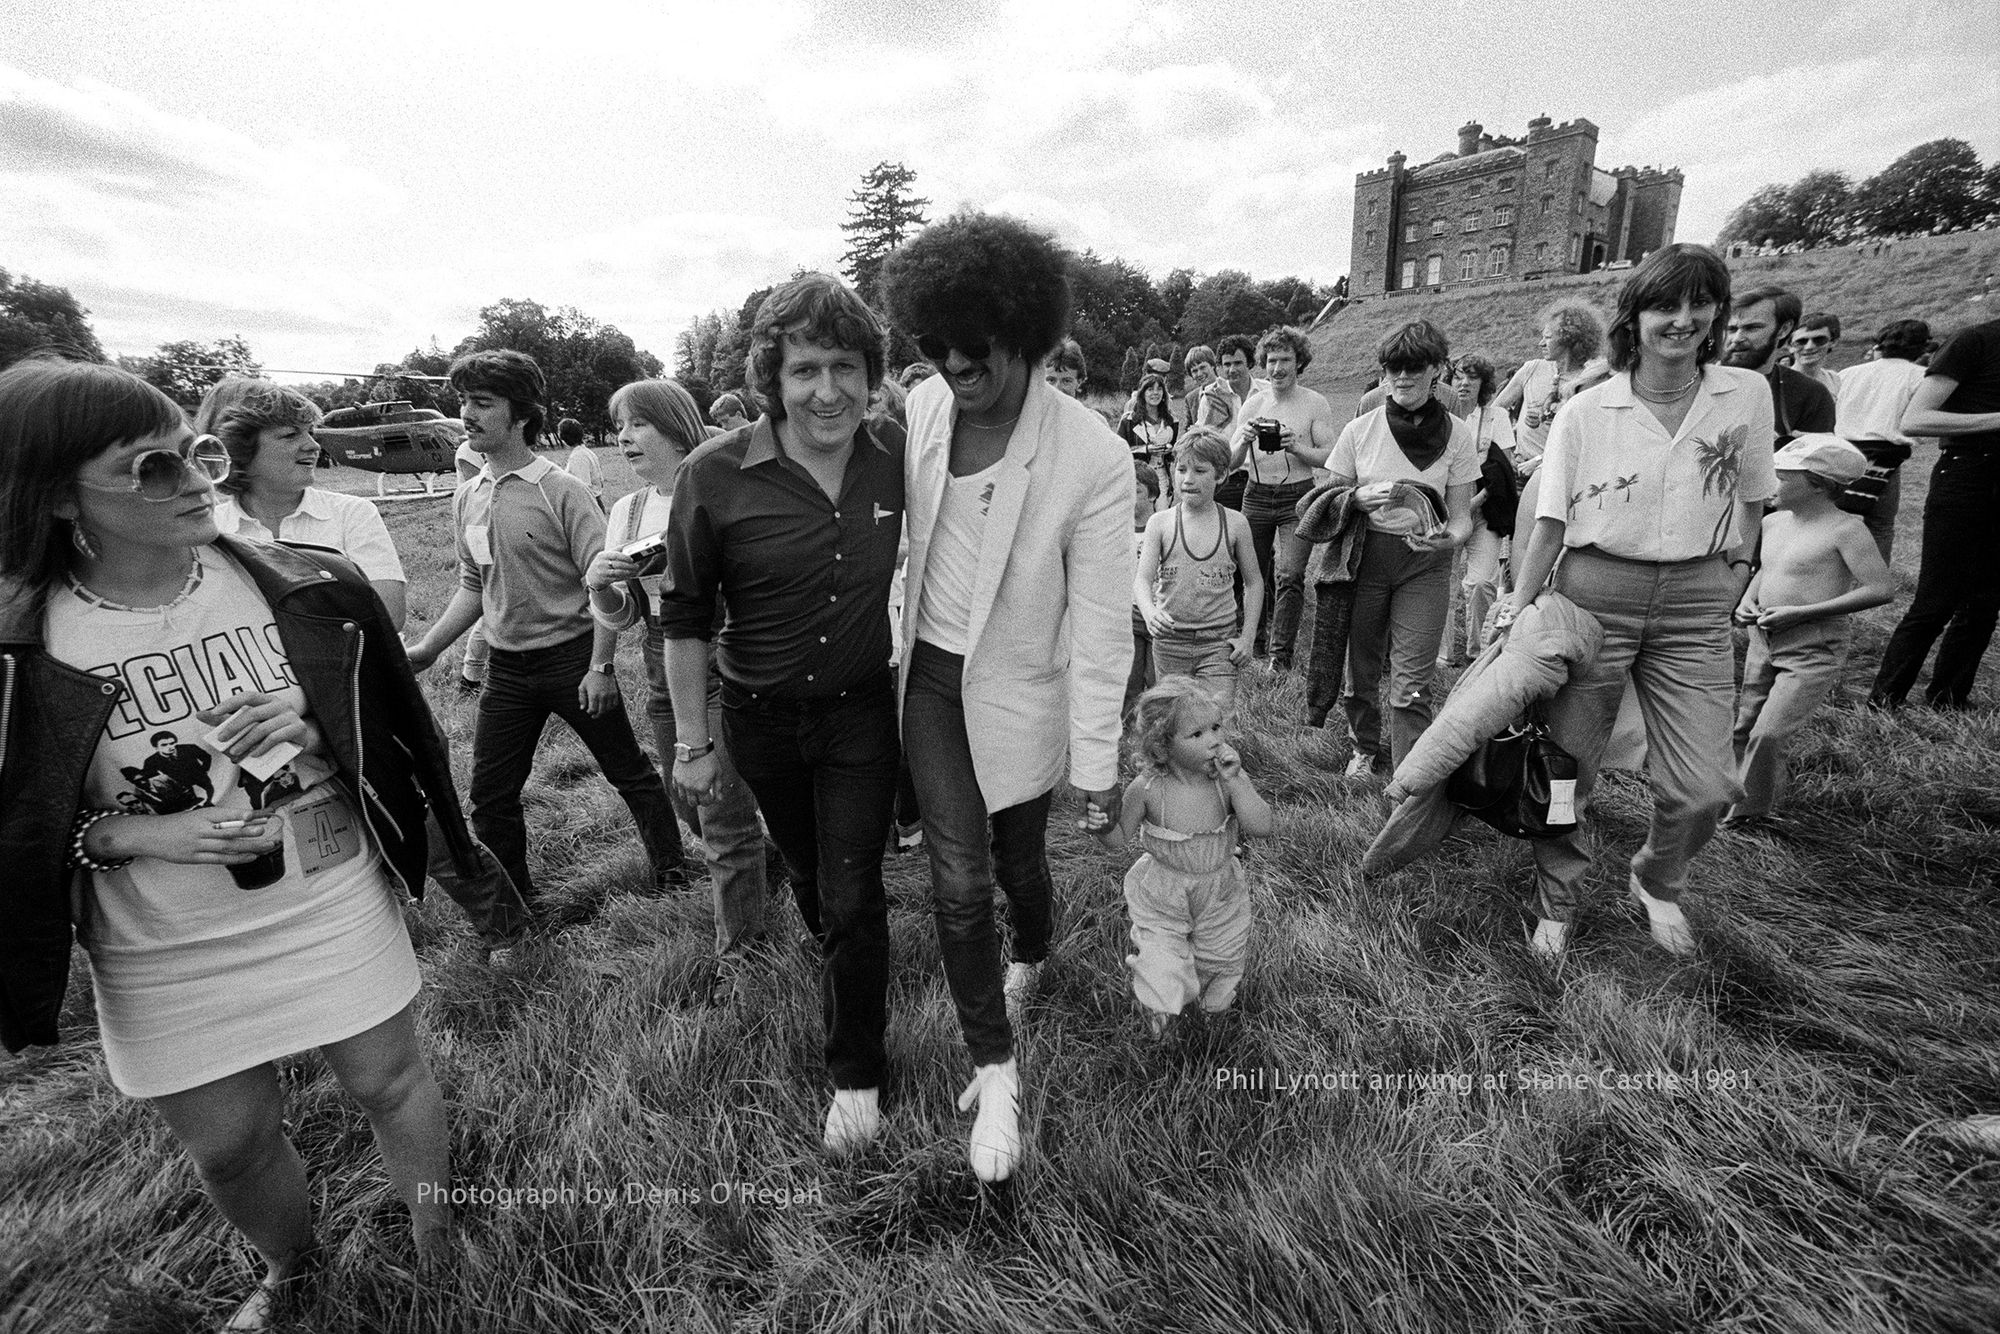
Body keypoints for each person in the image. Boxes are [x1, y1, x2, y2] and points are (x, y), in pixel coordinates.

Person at [0, 359, 507, 1325]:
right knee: (230, 1143)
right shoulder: (23, 646)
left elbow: (395, 732)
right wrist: (142, 831)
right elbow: (18, 828)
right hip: (162, 943)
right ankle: (290, 1267)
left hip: (325, 895)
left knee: (391, 1079)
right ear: (62, 499)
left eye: (193, 452)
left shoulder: (309, 586)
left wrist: (317, 729)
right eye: (151, 469)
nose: (196, 480)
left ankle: (443, 1240)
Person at [881, 211, 1132, 1182]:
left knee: (1019, 859)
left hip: (1020, 688)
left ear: (1024, 331)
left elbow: (1106, 626)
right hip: (929, 683)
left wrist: (1098, 765)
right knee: (954, 874)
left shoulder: (1093, 456)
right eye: (933, 345)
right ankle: (998, 1070)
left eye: (971, 345)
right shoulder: (923, 408)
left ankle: (1035, 944)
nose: (952, 362)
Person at [658, 274, 904, 1157]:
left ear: (872, 374)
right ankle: (834, 939)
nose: (827, 390)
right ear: (774, 377)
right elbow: (683, 618)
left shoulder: (897, 457)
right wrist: (693, 744)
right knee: (807, 873)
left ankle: (857, 1078)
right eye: (805, 370)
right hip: (758, 720)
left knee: (855, 889)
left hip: (861, 714)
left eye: (846, 367)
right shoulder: (714, 473)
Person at [1499, 243, 1777, 962]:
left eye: (1698, 304)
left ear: (1716, 312)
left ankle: (1657, 876)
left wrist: (1737, 572)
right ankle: (1557, 899)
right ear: (1636, 316)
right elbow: (1550, 522)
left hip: (1694, 600)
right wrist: (1516, 609)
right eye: (1665, 305)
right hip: (1595, 594)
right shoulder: (1589, 409)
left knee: (1708, 784)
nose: (1682, 320)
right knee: (1567, 769)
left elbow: (1755, 497)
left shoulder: (1745, 394)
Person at [404, 350, 684, 904]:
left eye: (483, 402)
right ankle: (517, 907)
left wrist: (600, 667)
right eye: (464, 401)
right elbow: (472, 584)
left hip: (571, 659)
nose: (467, 413)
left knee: (628, 772)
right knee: (490, 796)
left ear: (523, 415)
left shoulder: (562, 491)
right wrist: (429, 649)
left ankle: (673, 875)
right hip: (506, 671)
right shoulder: (469, 495)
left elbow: (606, 584)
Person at [583, 378, 768, 1001]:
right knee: (690, 804)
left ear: (675, 425)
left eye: (639, 424)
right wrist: (602, 585)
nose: (625, 438)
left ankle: (740, 959)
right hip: (663, 663)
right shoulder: (627, 512)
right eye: (620, 427)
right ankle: (781, 857)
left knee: (719, 813)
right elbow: (623, 614)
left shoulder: (724, 485)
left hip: (726, 654)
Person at [1306, 320, 1478, 775]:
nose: (1401, 378)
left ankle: (1410, 770)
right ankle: (1363, 747)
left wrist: (1451, 537)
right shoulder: (1359, 430)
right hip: (1364, 562)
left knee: (1413, 680)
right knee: (1361, 669)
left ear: (1437, 369)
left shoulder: (1459, 434)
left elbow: (1462, 515)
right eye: (1392, 369)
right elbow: (1324, 499)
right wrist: (1356, 498)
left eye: (1413, 368)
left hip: (1426, 565)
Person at [1086, 678, 1272, 1037]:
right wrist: (1101, 825)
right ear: (1162, 745)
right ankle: (1158, 1016)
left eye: (1216, 727)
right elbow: (1119, 839)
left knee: (1222, 953)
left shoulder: (1225, 781)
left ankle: (1212, 1014)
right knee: (1161, 954)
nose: (1214, 739)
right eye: (1197, 734)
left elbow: (1262, 826)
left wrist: (1238, 783)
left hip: (1219, 888)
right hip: (1165, 890)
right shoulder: (1147, 789)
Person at [1725, 436, 1892, 827]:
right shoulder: (1774, 521)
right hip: (1764, 638)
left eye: (1782, 478)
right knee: (1744, 723)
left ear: (1819, 484)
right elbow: (1769, 567)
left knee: (1768, 732)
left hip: (1813, 643)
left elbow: (1880, 589)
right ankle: (1728, 796)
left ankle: (1749, 813)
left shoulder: (1847, 530)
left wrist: (1803, 613)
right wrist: (1748, 599)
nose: (1772, 486)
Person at [199, 378, 408, 630]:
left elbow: (389, 615)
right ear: (237, 449)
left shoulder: (351, 513)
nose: (314, 445)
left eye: (310, 431)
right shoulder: (209, 530)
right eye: (290, 435)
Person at [1868, 317, 2000, 710]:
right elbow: (1915, 418)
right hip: (1968, 474)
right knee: (1935, 600)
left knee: (1986, 601)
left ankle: (1949, 699)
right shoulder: (1976, 339)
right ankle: (1884, 700)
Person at [1227, 327, 1339, 670]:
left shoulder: (1314, 402)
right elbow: (1229, 463)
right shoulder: (1254, 404)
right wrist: (1244, 441)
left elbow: (1330, 456)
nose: (1278, 368)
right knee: (1251, 571)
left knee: (1290, 574)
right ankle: (1254, 643)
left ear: (1298, 362)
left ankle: (1281, 655)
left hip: (1298, 497)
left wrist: (1295, 445)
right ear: (1263, 364)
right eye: (1272, 360)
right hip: (1256, 494)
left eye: (1285, 360)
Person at [1134, 429, 1263, 712]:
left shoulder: (1236, 523)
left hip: (1218, 643)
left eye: (1199, 470)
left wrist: (1248, 636)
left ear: (1220, 475)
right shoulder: (1160, 523)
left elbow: (1253, 583)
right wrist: (1150, 612)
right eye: (1181, 469)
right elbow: (1142, 580)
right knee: (1173, 721)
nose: (1187, 479)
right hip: (1170, 643)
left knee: (1216, 717)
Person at [1834, 318, 1931, 561]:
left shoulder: (1848, 373)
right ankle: (1873, 589)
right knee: (1880, 525)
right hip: (1884, 457)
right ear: (1921, 348)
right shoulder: (1920, 376)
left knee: (1828, 519)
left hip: (1841, 451)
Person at [1493, 299, 1609, 480]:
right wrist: (1506, 453)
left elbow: (1589, 440)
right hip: (1518, 472)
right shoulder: (1531, 369)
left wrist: (1540, 461)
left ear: (1567, 338)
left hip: (1562, 475)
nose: (1540, 343)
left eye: (1547, 337)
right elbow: (1496, 411)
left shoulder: (1590, 380)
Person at [1452, 354, 1519, 661]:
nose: (1463, 383)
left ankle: (1477, 652)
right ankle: (1436, 654)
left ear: (1484, 384)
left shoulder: (1497, 417)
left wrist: (1474, 502)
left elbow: (1502, 470)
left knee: (1481, 583)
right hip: (1446, 510)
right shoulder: (1442, 416)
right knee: (1439, 584)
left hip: (1483, 509)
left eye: (1471, 377)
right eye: (1458, 376)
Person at [1722, 284, 1836, 446]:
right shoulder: (1694, 382)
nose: (1737, 338)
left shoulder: (1810, 394)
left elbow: (1812, 466)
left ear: (1784, 329)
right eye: (1732, 329)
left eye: (1752, 328)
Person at [451, 437, 489, 694]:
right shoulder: (468, 450)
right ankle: (470, 676)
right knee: (490, 602)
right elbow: (477, 491)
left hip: (493, 529)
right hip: (480, 530)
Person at [1126, 459, 1162, 718]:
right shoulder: (1119, 530)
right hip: (1128, 614)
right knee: (1130, 678)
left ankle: (1157, 723)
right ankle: (1126, 728)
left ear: (1152, 494)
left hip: (1159, 613)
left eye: (1136, 489)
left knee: (1156, 678)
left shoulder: (1164, 526)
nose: (1130, 496)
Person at [1210, 333, 1260, 510]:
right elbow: (1207, 441)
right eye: (1227, 364)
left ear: (1249, 363)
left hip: (1261, 480)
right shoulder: (1211, 397)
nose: (1232, 370)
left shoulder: (1266, 392)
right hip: (1227, 479)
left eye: (1238, 363)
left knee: (1255, 537)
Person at [1119, 372, 1180, 503]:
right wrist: (1146, 449)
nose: (1155, 393)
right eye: (1150, 389)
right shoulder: (1129, 420)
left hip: (1162, 476)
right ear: (1142, 393)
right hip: (1137, 478)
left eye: (1159, 389)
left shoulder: (1172, 420)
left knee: (1161, 515)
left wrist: (1170, 450)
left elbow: (1172, 451)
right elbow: (1119, 452)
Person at [1791, 312, 1842, 397]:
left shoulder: (1834, 380)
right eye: (1801, 341)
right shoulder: (1779, 382)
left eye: (1819, 340)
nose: (1809, 347)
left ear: (1833, 342)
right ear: (1790, 345)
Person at [558, 416, 603, 510]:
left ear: (563, 437)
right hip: (593, 503)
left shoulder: (578, 457)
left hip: (588, 505)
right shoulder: (586, 452)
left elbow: (583, 487)